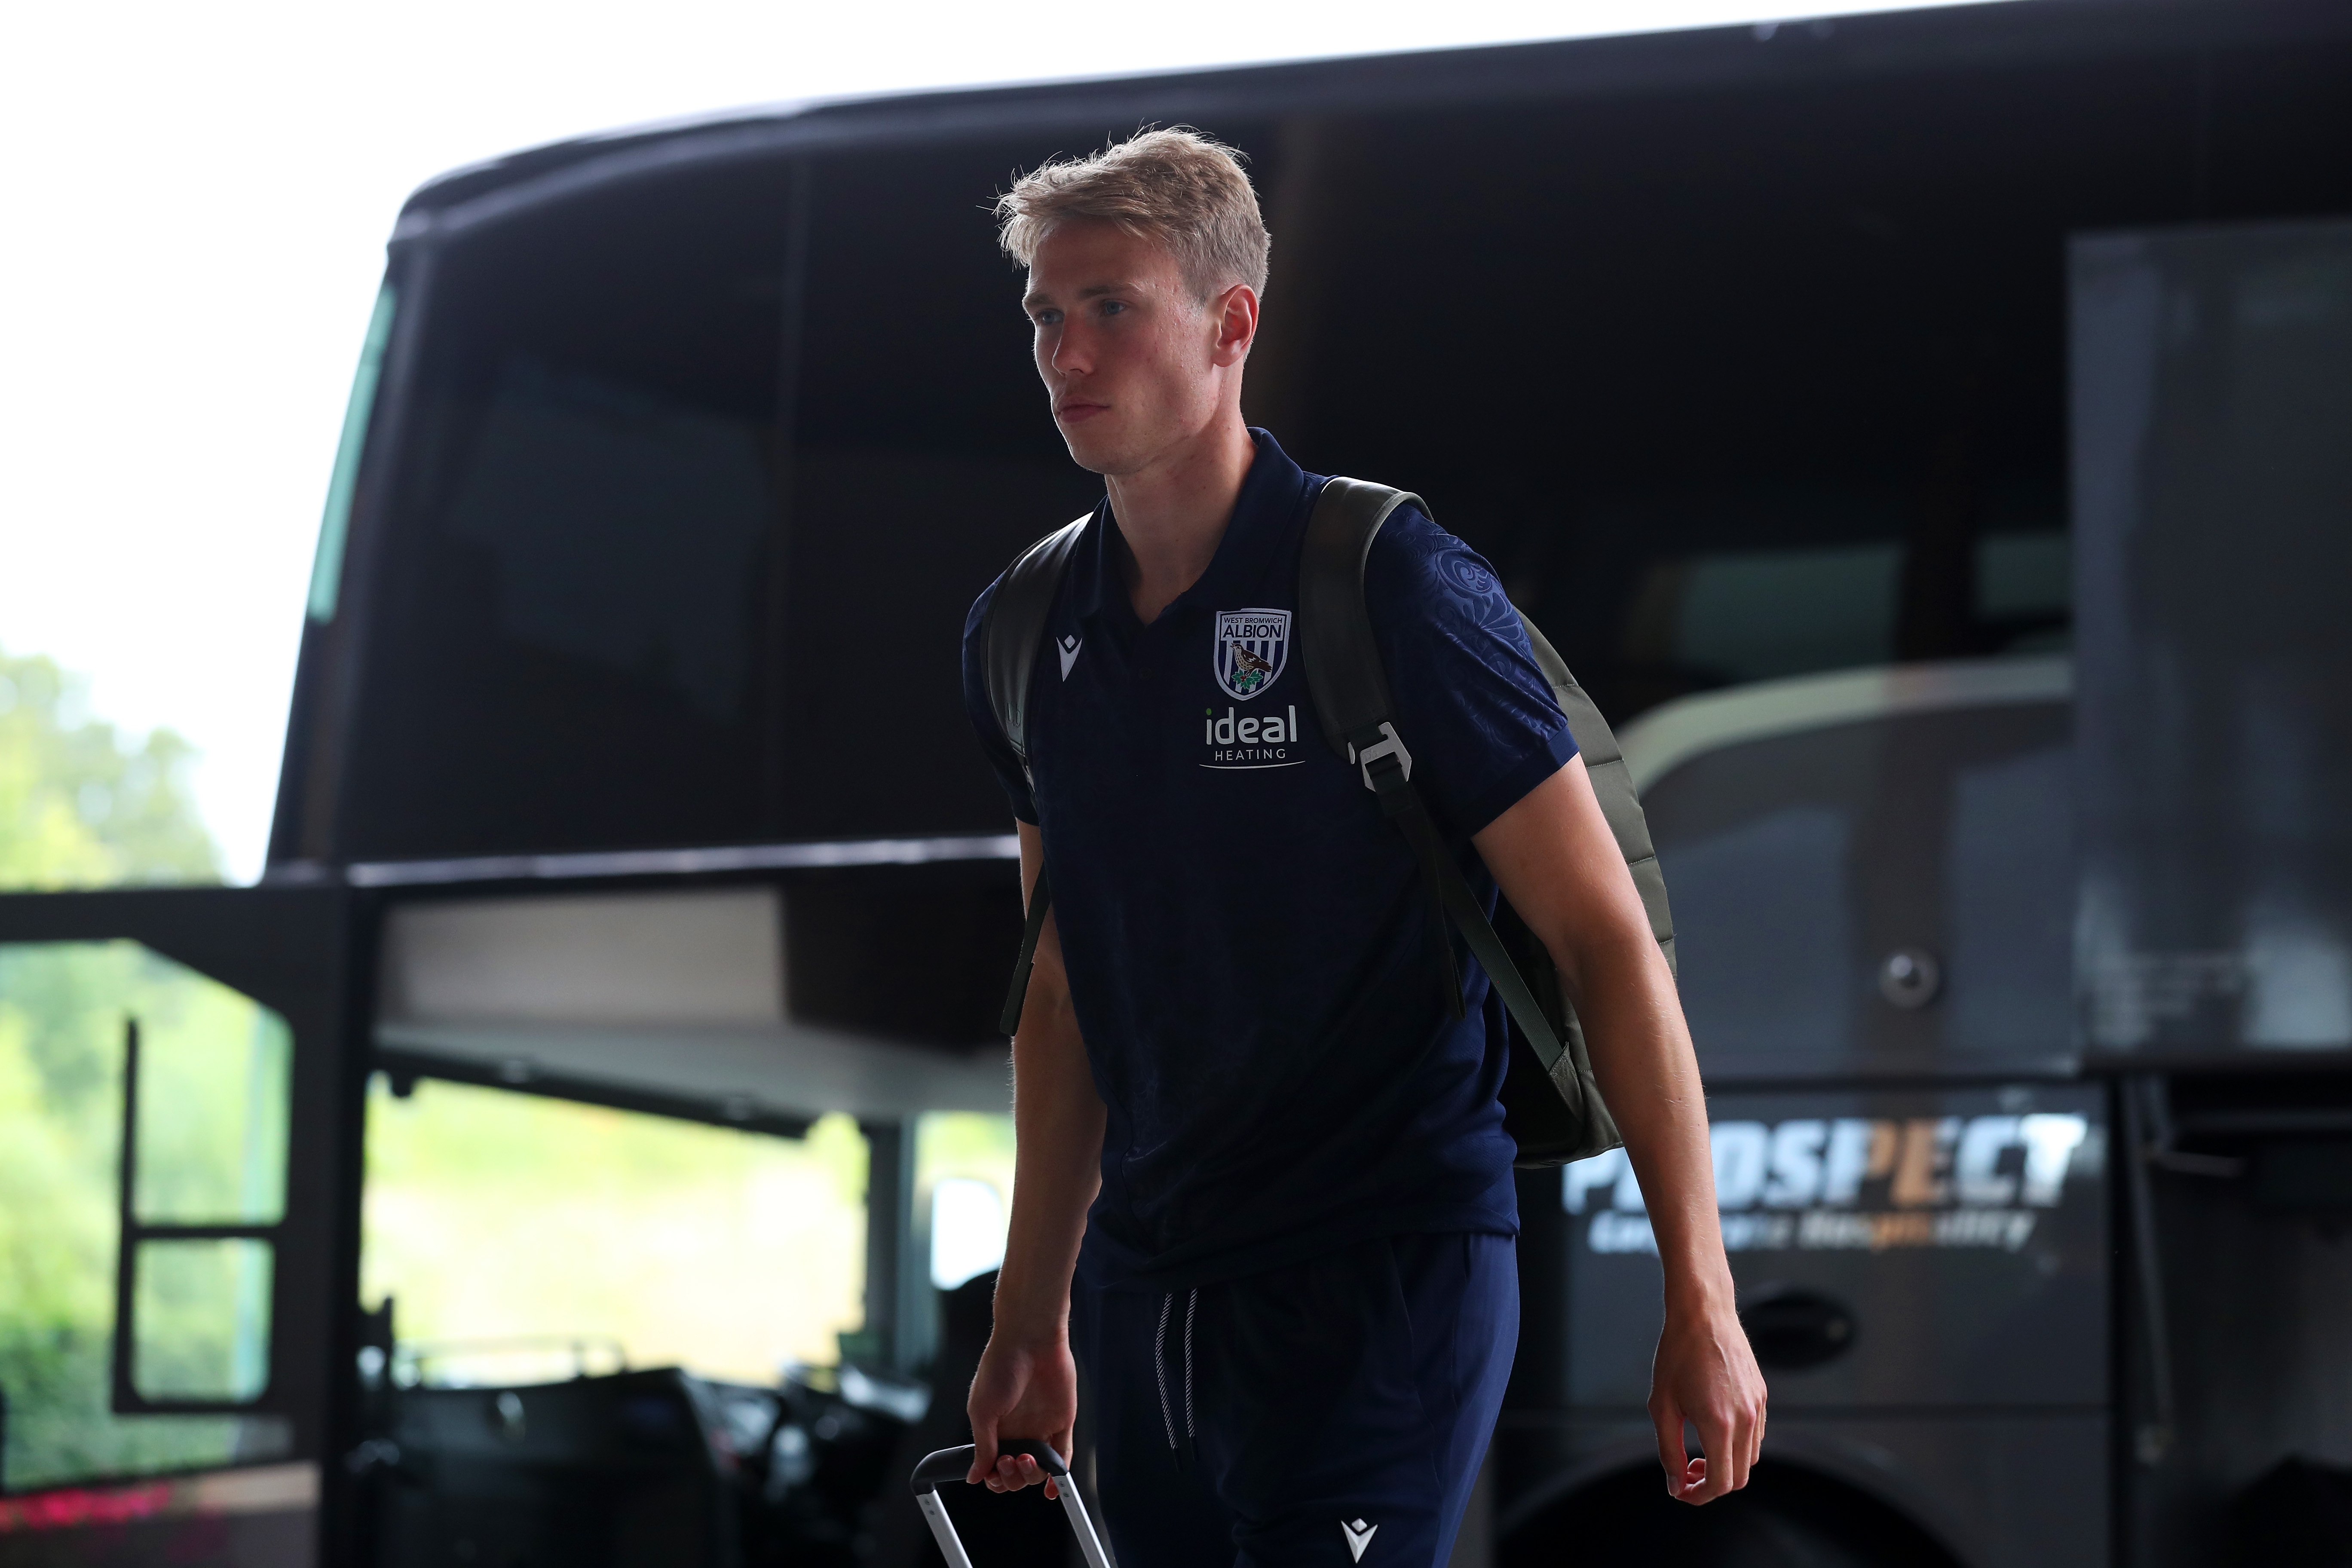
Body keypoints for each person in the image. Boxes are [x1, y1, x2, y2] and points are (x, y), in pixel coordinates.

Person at [957, 127, 1764, 1567]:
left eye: (1111, 307)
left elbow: (1602, 942)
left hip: (1387, 1264)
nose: (1065, 352)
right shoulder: (1023, 631)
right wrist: (1032, 1317)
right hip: (1153, 1284)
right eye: (1044, 316)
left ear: (1231, 322)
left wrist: (1698, 1295)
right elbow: (1064, 993)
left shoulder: (1384, 578)